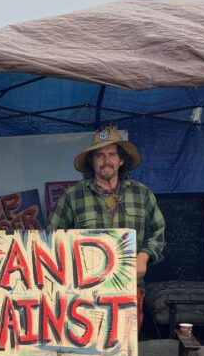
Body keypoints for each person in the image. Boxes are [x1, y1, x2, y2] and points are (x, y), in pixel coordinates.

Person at [48, 126, 165, 328]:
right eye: (100, 156)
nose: (106, 160)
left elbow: (158, 232)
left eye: (112, 154)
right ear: (91, 162)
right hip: (83, 291)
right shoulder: (72, 196)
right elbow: (51, 237)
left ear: (121, 160)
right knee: (86, 346)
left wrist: (143, 257)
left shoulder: (142, 194)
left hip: (128, 286)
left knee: (126, 350)